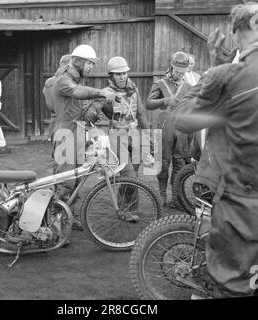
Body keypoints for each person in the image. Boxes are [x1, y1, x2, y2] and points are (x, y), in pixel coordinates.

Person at [173, 2, 258, 298]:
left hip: (230, 189)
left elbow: (183, 118)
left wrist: (214, 70)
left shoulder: (236, 76)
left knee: (225, 278)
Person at [52, 44, 115, 229]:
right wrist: (101, 92)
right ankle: (55, 223)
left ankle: (68, 216)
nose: (91, 67)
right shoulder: (63, 80)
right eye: (89, 63)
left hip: (77, 132)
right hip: (65, 133)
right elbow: (77, 92)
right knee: (65, 180)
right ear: (77, 61)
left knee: (78, 177)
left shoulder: (75, 80)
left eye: (93, 64)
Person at [91, 56, 154, 222]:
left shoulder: (134, 90)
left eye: (125, 73)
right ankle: (127, 210)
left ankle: (127, 208)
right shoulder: (106, 94)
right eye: (118, 74)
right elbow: (92, 113)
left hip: (135, 135)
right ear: (111, 76)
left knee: (133, 175)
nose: (123, 76)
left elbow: (140, 113)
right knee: (129, 175)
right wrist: (102, 119)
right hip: (118, 137)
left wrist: (148, 136)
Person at [145, 51, 192, 207]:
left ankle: (177, 197)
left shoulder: (189, 86)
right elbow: (148, 104)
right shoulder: (160, 84)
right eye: (177, 71)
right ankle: (162, 195)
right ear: (171, 67)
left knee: (179, 164)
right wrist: (165, 100)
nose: (179, 75)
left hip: (182, 129)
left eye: (182, 72)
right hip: (164, 127)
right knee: (162, 163)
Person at [43, 54, 71, 142]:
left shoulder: (49, 81)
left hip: (54, 114)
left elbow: (44, 93)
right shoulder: (63, 81)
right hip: (63, 118)